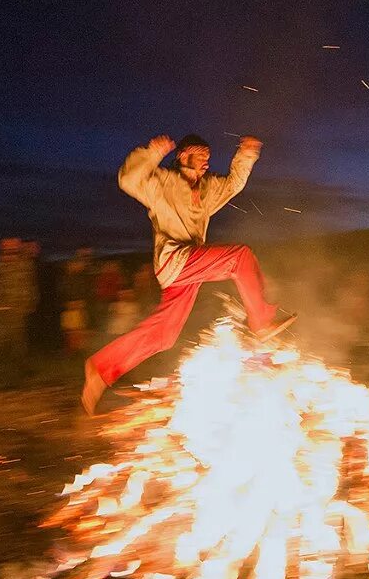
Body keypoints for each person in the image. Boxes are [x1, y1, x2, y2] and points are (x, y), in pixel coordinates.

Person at [82, 133, 294, 415]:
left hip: (190, 268)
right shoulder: (162, 183)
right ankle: (261, 321)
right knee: (239, 257)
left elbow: (233, 184)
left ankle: (100, 370)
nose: (206, 162)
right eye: (200, 156)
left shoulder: (206, 189)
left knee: (163, 336)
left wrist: (246, 155)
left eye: (208, 157)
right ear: (183, 156)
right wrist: (152, 153)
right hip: (174, 259)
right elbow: (128, 179)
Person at [0, 238, 36, 360]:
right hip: (0, 308)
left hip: (18, 308)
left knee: (18, 338)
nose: (11, 250)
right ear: (3, 248)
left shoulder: (24, 265)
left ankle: (18, 365)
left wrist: (30, 302)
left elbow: (30, 285)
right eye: (7, 248)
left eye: (14, 248)